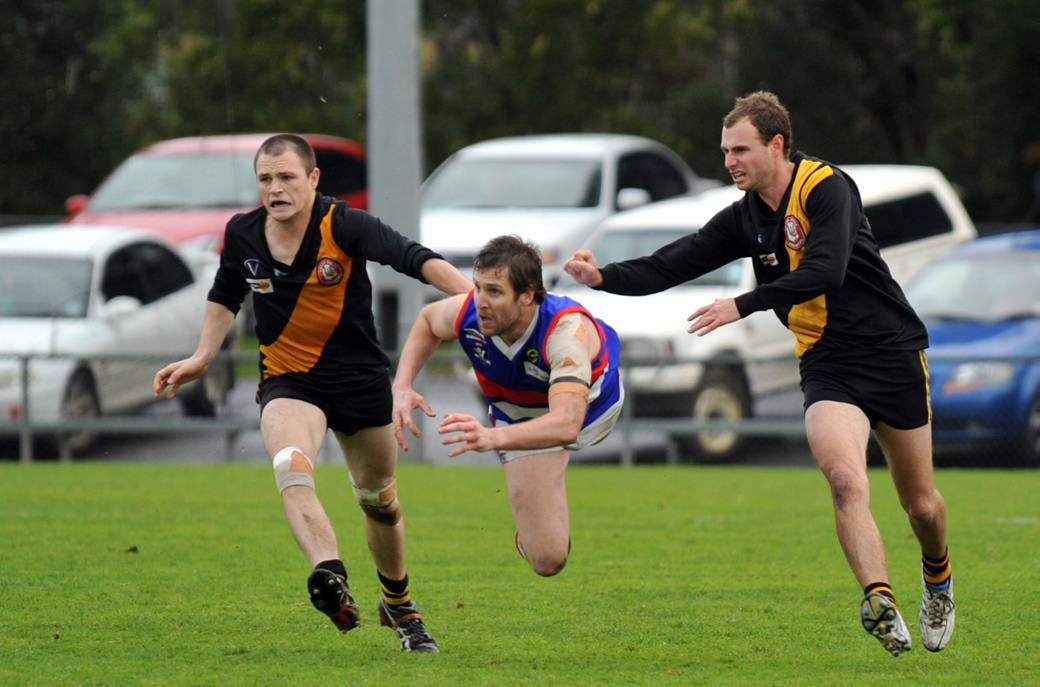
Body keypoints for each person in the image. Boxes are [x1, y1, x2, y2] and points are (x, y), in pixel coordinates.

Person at [564, 92, 954, 657]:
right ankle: (880, 600)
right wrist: (603, 277)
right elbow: (675, 261)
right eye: (726, 151)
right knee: (844, 480)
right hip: (827, 361)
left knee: (920, 505)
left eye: (740, 150)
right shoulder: (744, 216)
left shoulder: (826, 187)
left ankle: (938, 577)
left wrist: (742, 305)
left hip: (891, 352)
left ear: (776, 145)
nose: (730, 162)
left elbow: (826, 269)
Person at [154, 134, 472, 653]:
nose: (275, 189)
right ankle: (330, 574)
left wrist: (476, 303)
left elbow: (414, 258)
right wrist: (203, 356)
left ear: (313, 179)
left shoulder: (343, 224)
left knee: (379, 502)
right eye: (265, 179)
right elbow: (225, 293)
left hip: (360, 379)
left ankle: (398, 603)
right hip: (289, 381)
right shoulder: (242, 234)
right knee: (291, 465)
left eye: (286, 177)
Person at [392, 235, 623, 577]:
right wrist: (402, 385)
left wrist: (491, 438)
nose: (480, 302)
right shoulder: (470, 313)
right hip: (519, 414)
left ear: (527, 294)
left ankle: (536, 496)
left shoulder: (564, 333)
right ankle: (533, 523)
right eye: (477, 287)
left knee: (561, 425)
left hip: (592, 411)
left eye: (494, 292)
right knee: (547, 560)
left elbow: (566, 424)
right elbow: (428, 320)